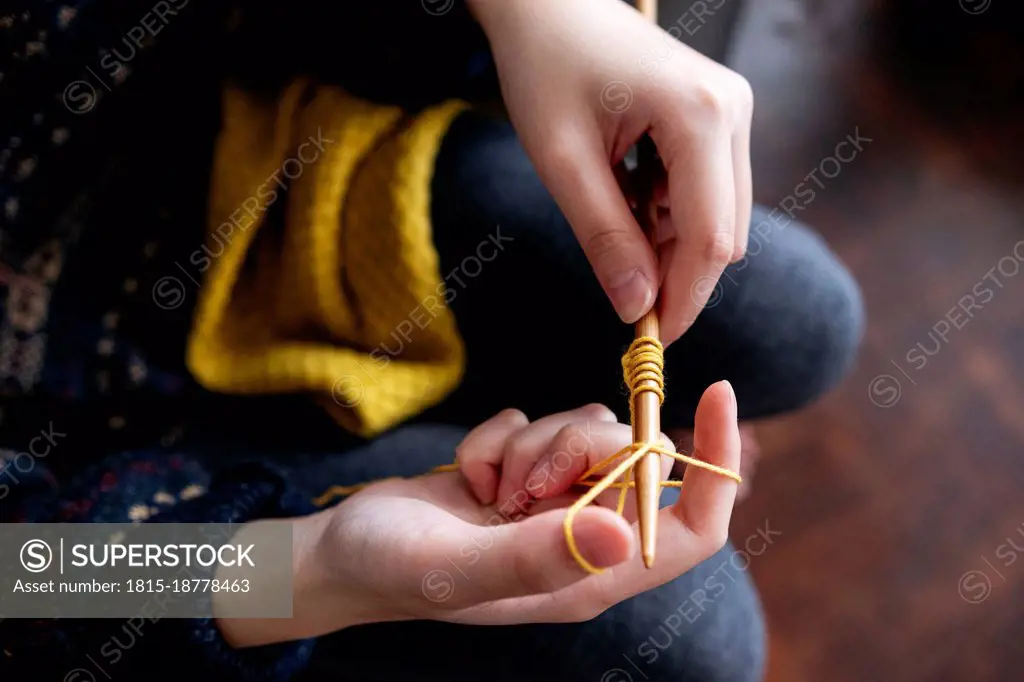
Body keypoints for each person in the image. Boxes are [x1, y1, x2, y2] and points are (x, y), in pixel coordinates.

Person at [0, 1, 863, 681]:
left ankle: (477, 404)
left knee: (799, 318)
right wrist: (310, 572)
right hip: (97, 497)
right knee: (691, 629)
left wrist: (529, 12)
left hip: (246, 187)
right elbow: (23, 577)